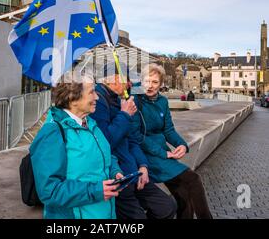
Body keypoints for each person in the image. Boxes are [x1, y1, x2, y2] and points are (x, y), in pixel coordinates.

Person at [30, 72, 123, 219]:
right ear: (73, 98)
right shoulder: (52, 133)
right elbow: (50, 191)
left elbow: (105, 154)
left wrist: (115, 171)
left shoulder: (91, 123)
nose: (97, 97)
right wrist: (96, 191)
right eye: (92, 92)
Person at [90, 63, 177, 219]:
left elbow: (132, 140)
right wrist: (125, 115)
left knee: (167, 207)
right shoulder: (99, 102)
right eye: (127, 80)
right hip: (118, 177)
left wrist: (143, 165)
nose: (130, 84)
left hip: (133, 172)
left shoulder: (118, 100)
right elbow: (105, 143)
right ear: (115, 79)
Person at [132, 63, 213, 219]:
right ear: (141, 81)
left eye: (155, 82)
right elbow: (136, 136)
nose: (150, 86)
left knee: (183, 195)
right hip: (145, 153)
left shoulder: (162, 101)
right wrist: (164, 153)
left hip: (161, 152)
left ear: (161, 84)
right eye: (146, 81)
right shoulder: (135, 99)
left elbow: (168, 130)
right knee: (192, 179)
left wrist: (182, 144)